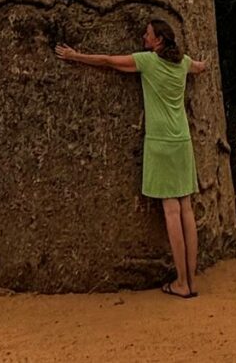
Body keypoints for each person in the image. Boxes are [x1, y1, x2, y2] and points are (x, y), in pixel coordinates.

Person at [55, 17, 209, 298]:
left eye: (148, 34)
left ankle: (182, 283)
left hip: (161, 142)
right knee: (186, 207)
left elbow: (109, 61)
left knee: (172, 211)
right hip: (182, 141)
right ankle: (191, 280)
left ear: (158, 41)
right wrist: (205, 64)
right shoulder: (183, 62)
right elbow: (199, 67)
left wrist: (76, 56)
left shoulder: (149, 61)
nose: (143, 37)